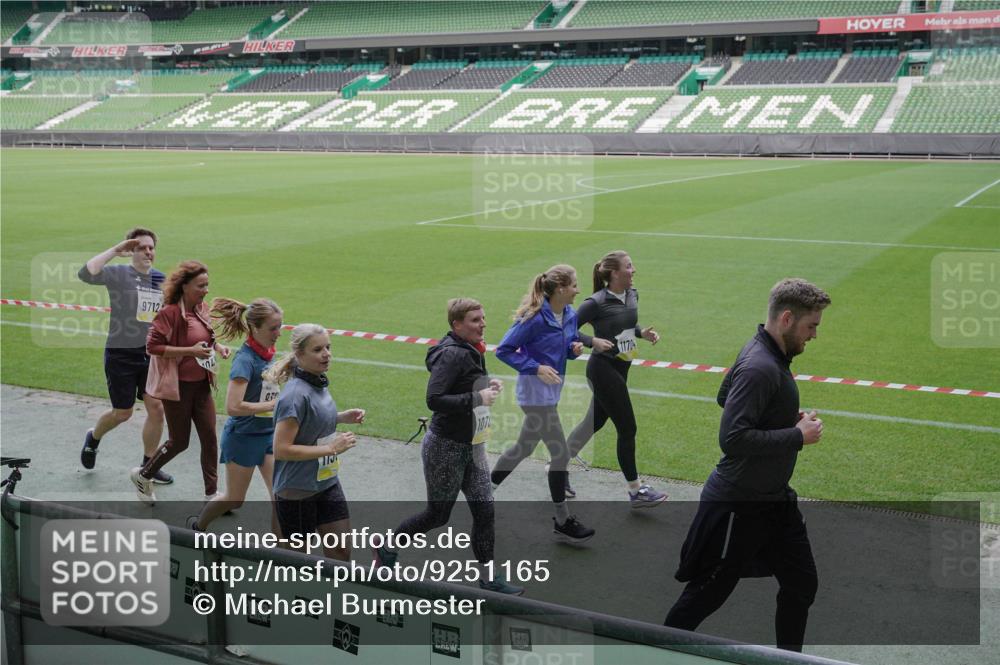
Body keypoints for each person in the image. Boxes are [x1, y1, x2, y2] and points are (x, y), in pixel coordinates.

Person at [663, 278, 830, 652]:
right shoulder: (761, 366)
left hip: (774, 502)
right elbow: (733, 438)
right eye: (812, 326)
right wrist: (796, 435)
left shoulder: (768, 354)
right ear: (787, 318)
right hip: (738, 506)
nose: (814, 335)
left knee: (801, 583)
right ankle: (655, 652)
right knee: (706, 595)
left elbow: (726, 395)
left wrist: (783, 418)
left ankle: (789, 660)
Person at [375, 299, 523, 595]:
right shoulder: (453, 355)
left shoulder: (470, 349)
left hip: (473, 447)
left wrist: (485, 387)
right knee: (438, 515)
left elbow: (465, 387)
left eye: (483, 318)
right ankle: (387, 546)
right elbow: (435, 399)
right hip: (446, 447)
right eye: (474, 320)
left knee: (485, 510)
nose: (482, 324)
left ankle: (488, 577)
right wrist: (478, 398)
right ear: (456, 325)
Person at [491, 265, 608, 544]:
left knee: (524, 447)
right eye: (574, 285)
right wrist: (535, 367)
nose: (578, 290)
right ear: (559, 289)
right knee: (559, 454)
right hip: (534, 395)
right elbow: (504, 350)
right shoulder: (533, 318)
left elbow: (564, 349)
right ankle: (562, 519)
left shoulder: (568, 314)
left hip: (551, 394)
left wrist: (573, 350)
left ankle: (484, 491)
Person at [564, 250, 667, 507]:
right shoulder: (595, 302)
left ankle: (557, 467)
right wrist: (591, 341)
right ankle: (635, 491)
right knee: (627, 428)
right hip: (602, 370)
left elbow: (624, 326)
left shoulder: (633, 294)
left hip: (622, 367)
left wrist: (642, 333)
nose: (634, 271)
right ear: (614, 273)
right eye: (629, 267)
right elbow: (567, 328)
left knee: (593, 423)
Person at [130, 261, 231, 504]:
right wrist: (190, 352)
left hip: (201, 386)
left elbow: (206, 337)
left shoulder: (201, 308)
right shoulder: (169, 313)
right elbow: (152, 347)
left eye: (207, 284)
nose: (206, 290)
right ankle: (144, 476)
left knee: (210, 438)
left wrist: (218, 346)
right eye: (201, 285)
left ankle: (210, 494)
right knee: (179, 442)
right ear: (185, 286)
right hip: (177, 388)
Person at [78, 228, 171, 484]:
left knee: (156, 408)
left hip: (150, 355)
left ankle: (148, 466)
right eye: (142, 247)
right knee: (123, 413)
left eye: (151, 247)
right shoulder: (119, 274)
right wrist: (115, 250)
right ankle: (93, 438)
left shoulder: (161, 280)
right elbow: (86, 273)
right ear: (132, 250)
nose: (148, 252)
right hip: (121, 355)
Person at [267, 324, 365, 561]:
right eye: (318, 349)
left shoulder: (317, 380)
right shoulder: (294, 395)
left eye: (328, 347)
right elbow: (281, 449)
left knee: (341, 551)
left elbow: (310, 420)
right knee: (298, 561)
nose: (326, 354)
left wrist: (340, 417)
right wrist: (331, 448)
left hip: (326, 481)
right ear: (299, 355)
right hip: (297, 490)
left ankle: (334, 598)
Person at [187, 298, 283, 534]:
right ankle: (198, 525)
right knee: (234, 499)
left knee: (281, 499)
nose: (278, 333)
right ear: (255, 328)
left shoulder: (268, 354)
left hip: (269, 436)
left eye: (280, 326)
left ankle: (283, 553)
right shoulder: (245, 360)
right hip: (244, 437)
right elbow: (233, 406)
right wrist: (271, 404)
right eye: (273, 328)